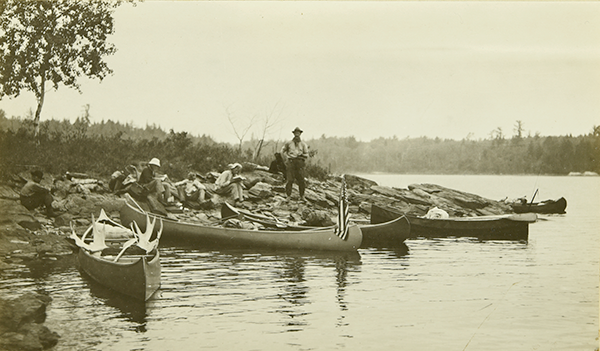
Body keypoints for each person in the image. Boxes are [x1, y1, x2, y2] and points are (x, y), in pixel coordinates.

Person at [281, 127, 309, 201]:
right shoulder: (288, 143)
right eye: (295, 133)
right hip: (291, 162)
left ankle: (302, 196)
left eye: (298, 133)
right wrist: (286, 157)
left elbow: (306, 154)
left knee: (301, 180)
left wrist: (302, 156)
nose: (297, 134)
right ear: (293, 134)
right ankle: (288, 196)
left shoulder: (303, 144)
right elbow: (282, 151)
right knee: (290, 180)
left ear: (300, 134)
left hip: (299, 163)